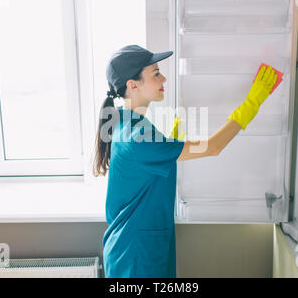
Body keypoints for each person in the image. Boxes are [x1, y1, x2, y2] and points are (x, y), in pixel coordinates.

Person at [93, 44, 277, 278]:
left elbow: (145, 167)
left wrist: (171, 142)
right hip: (136, 255)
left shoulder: (126, 123)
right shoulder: (138, 135)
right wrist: (252, 103)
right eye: (156, 73)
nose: (164, 78)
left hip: (135, 246)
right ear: (133, 85)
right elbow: (213, 147)